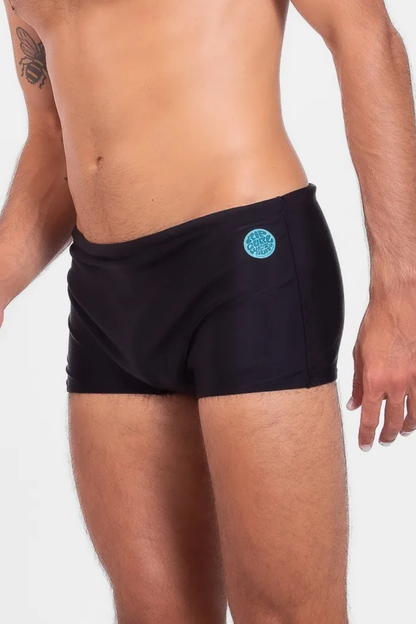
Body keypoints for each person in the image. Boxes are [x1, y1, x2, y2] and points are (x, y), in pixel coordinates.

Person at [1, 0, 415, 621]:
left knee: (286, 612)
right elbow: (52, 138)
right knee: (154, 612)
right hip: (106, 294)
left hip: (244, 266)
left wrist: (400, 294)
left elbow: (364, 35)